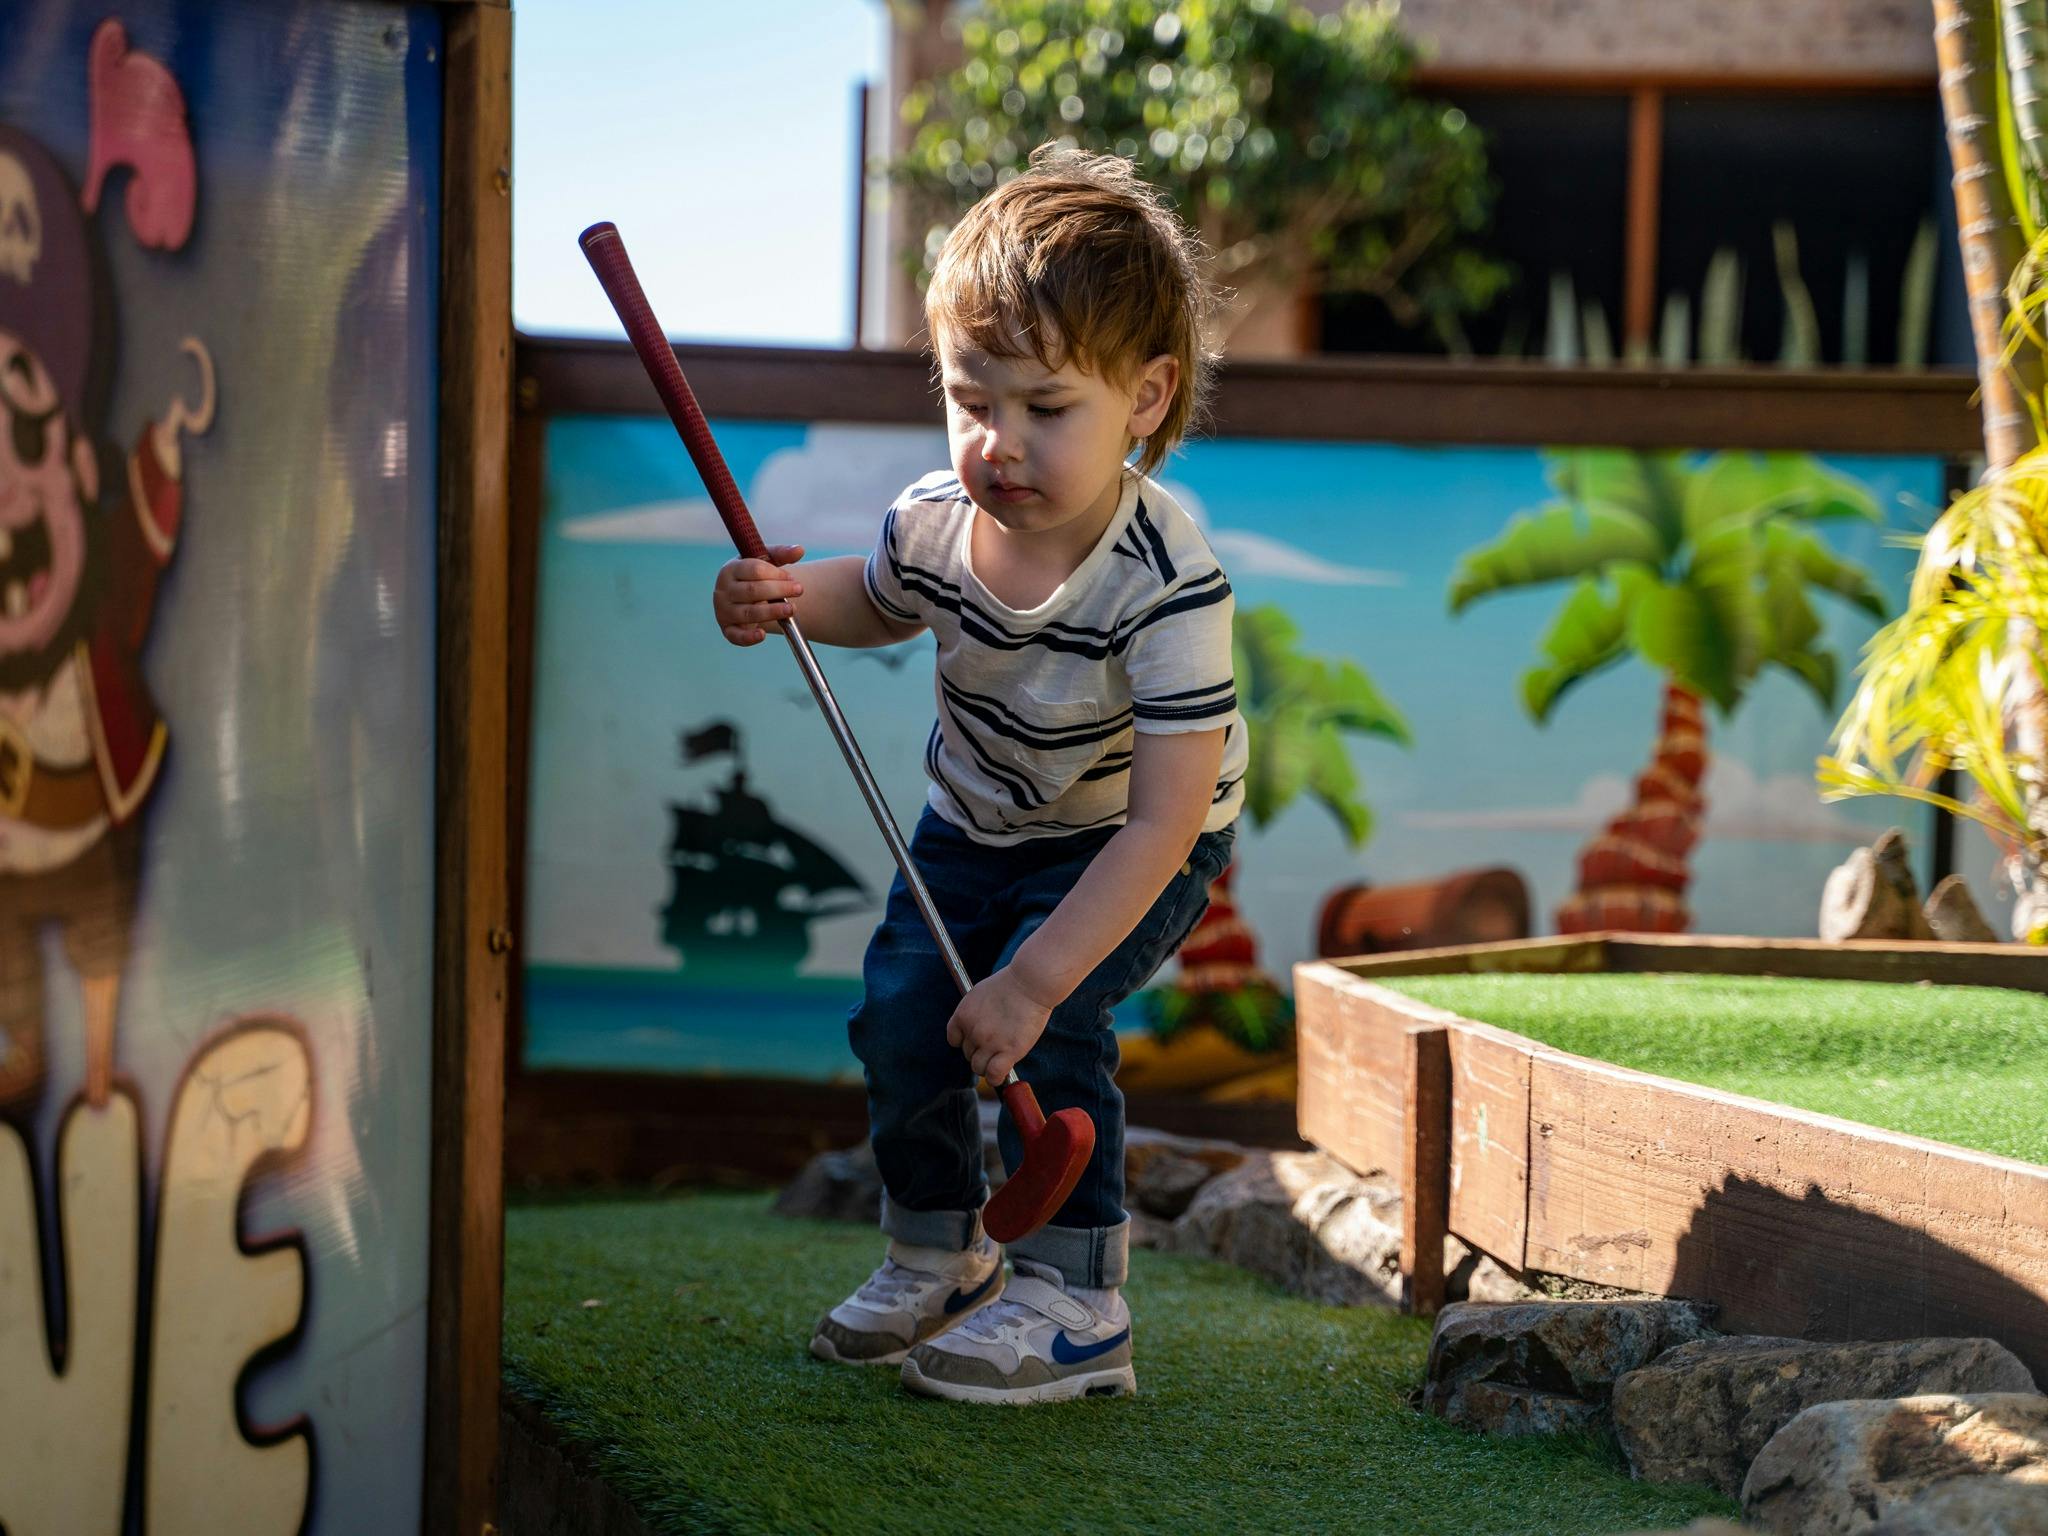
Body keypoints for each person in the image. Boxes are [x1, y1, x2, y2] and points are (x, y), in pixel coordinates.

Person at [711, 145, 1246, 1404]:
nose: (998, 443)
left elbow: (1164, 825)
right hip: (974, 816)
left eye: (1044, 408)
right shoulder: (936, 525)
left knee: (1047, 1025)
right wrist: (782, 596)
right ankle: (938, 1256)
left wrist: (1032, 979)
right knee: (903, 1013)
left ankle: (1077, 1302)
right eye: (970, 400)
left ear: (1146, 397)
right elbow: (872, 598)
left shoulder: (1169, 587)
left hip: (1129, 837)